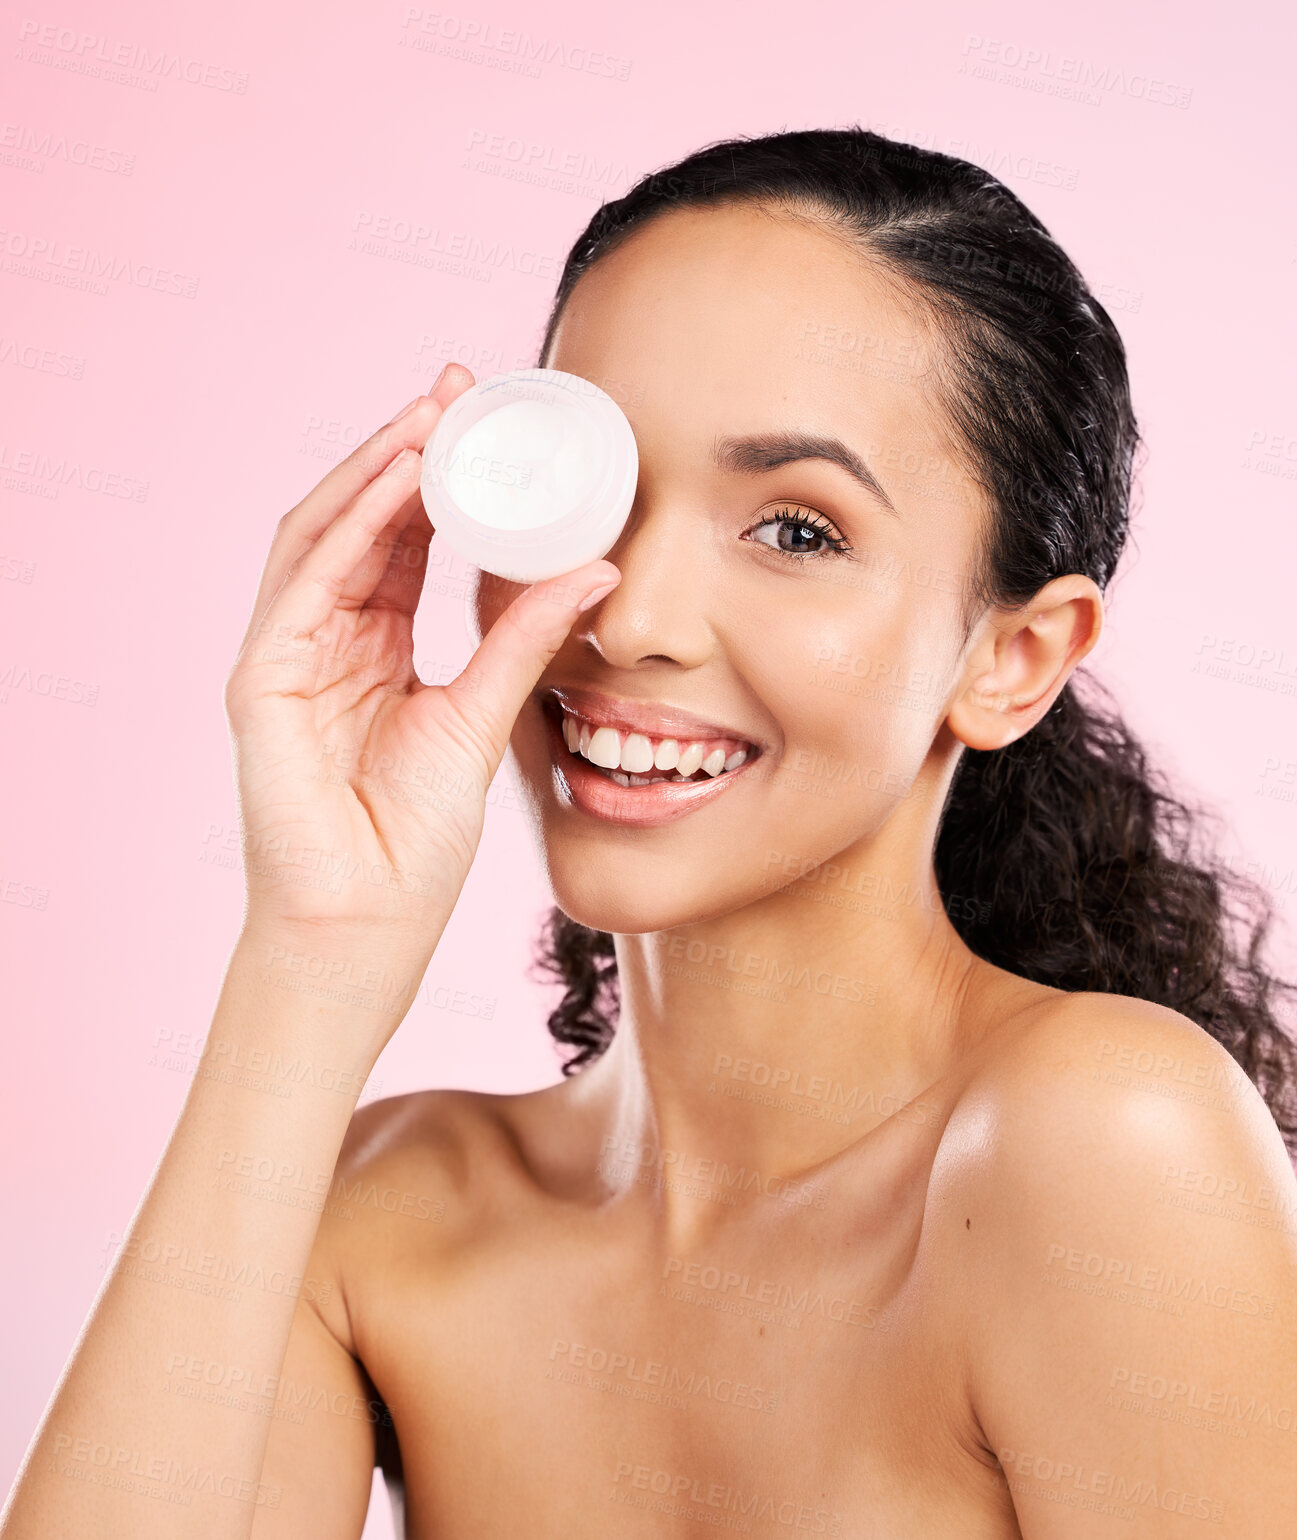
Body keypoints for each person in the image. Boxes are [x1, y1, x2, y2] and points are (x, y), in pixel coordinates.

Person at [5, 126, 1297, 1540]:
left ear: (1014, 658)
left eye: (796, 530)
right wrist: (310, 959)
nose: (623, 618)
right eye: (593, 489)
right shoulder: (392, 1215)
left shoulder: (1102, 1143)